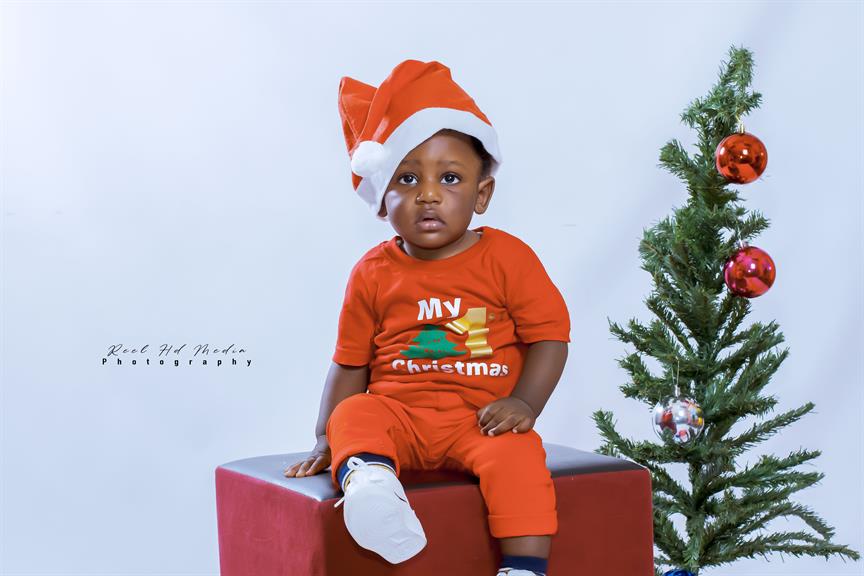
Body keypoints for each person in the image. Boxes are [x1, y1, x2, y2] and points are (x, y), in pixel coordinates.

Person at [283, 59, 570, 576]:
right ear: (381, 200)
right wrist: (327, 439)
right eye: (408, 179)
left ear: (482, 194)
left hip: (479, 420)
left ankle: (524, 567)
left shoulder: (508, 258)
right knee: (355, 414)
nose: (429, 193)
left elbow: (550, 337)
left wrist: (525, 402)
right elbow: (349, 364)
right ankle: (372, 488)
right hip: (400, 417)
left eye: (450, 178)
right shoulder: (372, 272)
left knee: (519, 457)